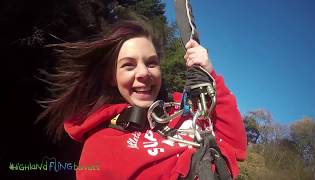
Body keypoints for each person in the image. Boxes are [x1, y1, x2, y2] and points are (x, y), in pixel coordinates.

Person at [38, 21, 246, 179]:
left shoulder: (180, 111)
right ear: (112, 77)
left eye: (151, 63)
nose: (144, 73)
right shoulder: (100, 148)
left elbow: (234, 144)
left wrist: (209, 76)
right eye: (129, 65)